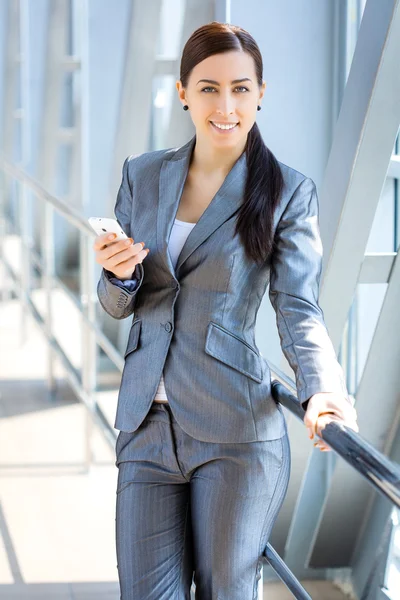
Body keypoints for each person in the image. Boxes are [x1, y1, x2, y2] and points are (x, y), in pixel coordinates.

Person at [93, 21, 358, 600]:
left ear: (261, 92)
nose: (226, 105)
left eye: (241, 88)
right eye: (209, 87)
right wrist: (118, 274)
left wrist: (325, 388)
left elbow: (298, 305)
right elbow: (117, 306)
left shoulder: (287, 191)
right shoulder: (143, 176)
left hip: (236, 433)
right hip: (146, 426)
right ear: (184, 92)